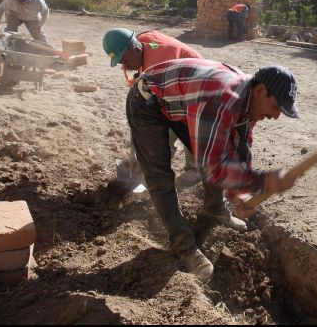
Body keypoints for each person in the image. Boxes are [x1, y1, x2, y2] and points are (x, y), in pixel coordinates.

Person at [126, 59, 299, 282]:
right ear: (260, 91)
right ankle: (184, 247)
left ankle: (214, 209)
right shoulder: (220, 98)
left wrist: (239, 194)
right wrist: (262, 182)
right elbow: (212, 165)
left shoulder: (248, 101)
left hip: (182, 100)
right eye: (276, 107)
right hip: (147, 101)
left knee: (219, 148)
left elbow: (240, 148)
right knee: (160, 177)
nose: (276, 116)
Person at [102, 28, 202, 189]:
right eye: (121, 63)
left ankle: (193, 173)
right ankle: (144, 171)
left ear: (135, 49)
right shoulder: (140, 43)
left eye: (126, 61)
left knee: (172, 132)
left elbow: (162, 113)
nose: (126, 67)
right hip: (176, 86)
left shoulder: (158, 64)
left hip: (195, 90)